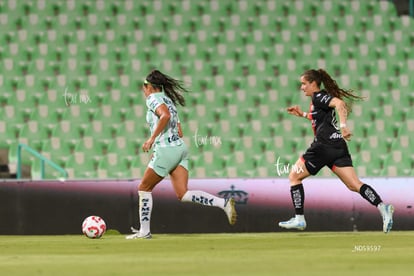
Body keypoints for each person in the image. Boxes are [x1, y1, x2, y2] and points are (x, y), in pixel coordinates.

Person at [278, 68, 394, 233]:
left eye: (304, 84)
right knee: (354, 185)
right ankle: (383, 208)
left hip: (323, 146)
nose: (302, 87)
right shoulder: (318, 99)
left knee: (294, 176)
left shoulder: (318, 97)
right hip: (338, 147)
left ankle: (299, 219)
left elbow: (339, 104)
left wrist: (344, 126)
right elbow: (320, 117)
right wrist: (303, 114)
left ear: (313, 83)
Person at [126, 70, 237, 239]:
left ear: (148, 87)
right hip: (180, 148)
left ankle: (144, 231)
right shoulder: (168, 100)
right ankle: (224, 203)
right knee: (183, 194)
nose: (144, 90)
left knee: (144, 188)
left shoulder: (153, 99)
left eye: (144, 87)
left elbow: (165, 116)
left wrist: (152, 140)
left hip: (167, 150)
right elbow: (179, 130)